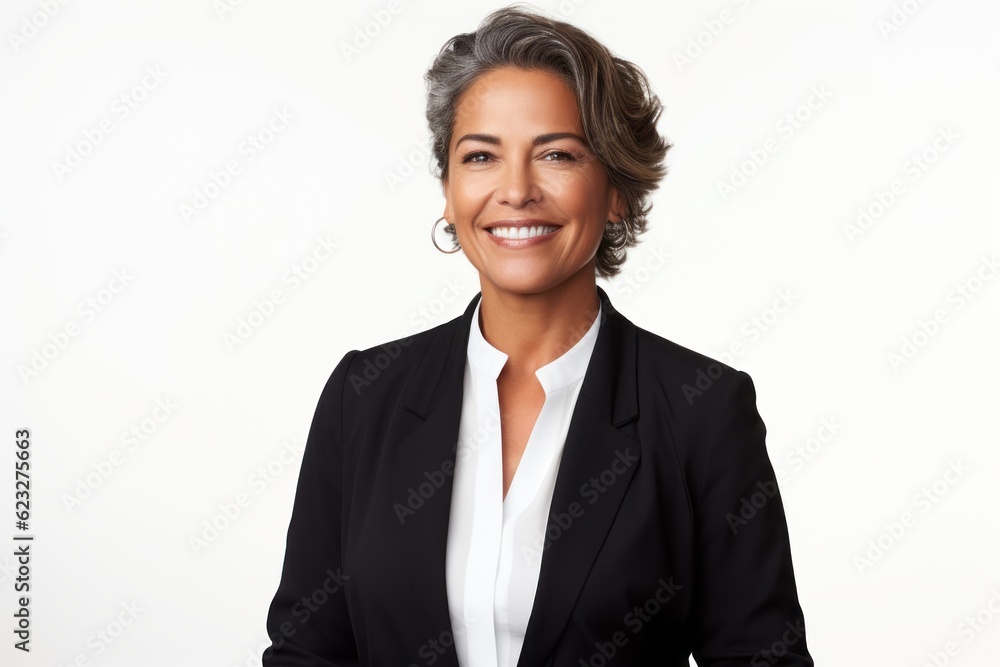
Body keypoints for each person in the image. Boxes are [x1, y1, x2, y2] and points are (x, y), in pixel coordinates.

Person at [262, 5, 814, 666]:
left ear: (616, 190)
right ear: (449, 191)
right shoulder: (364, 396)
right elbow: (307, 653)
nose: (516, 190)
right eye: (481, 156)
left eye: (557, 154)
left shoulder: (701, 411)